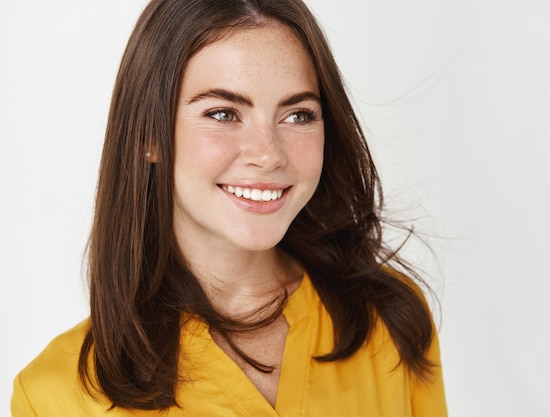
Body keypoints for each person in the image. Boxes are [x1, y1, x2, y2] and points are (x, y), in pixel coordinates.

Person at [11, 0, 447, 415]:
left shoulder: (390, 319)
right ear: (150, 136)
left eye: (297, 115)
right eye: (223, 113)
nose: (268, 154)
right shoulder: (54, 395)